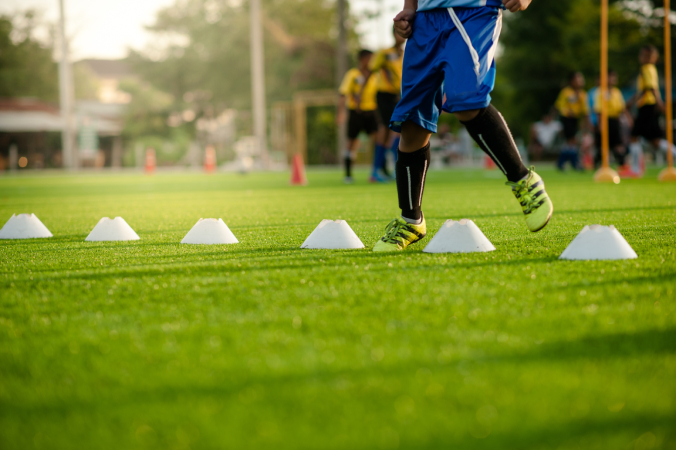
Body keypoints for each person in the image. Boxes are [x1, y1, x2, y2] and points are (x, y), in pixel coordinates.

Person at [373, 0, 553, 252]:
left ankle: (523, 180)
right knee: (413, 122)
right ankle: (411, 220)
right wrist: (410, 7)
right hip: (425, 21)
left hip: (472, 11)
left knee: (466, 99)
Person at [368, 28, 407, 182]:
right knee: (384, 131)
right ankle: (375, 171)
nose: (401, 36)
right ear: (393, 34)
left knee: (397, 132)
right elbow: (371, 69)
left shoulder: (406, 54)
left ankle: (393, 169)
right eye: (398, 33)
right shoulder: (385, 53)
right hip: (384, 95)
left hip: (399, 96)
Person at [337, 49, 379, 184]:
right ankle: (348, 174)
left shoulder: (375, 75)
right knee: (351, 143)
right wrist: (341, 113)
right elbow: (343, 94)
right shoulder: (352, 74)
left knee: (378, 141)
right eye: (370, 59)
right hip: (356, 112)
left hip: (371, 111)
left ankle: (377, 171)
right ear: (362, 59)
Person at [626, 45, 665, 176]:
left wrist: (659, 102)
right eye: (643, 55)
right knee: (652, 140)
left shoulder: (646, 69)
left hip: (647, 106)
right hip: (648, 106)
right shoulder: (651, 69)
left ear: (654, 58)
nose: (644, 58)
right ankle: (636, 168)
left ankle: (636, 169)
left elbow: (649, 88)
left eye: (647, 56)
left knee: (636, 137)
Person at [593, 69, 630, 168]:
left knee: (618, 144)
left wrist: (629, 118)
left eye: (614, 77)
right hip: (604, 120)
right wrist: (600, 124)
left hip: (615, 121)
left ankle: (622, 165)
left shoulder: (617, 92)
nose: (613, 79)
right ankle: (597, 164)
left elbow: (622, 108)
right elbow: (598, 110)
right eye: (611, 77)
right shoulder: (600, 92)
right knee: (602, 146)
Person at [554, 71, 589, 171]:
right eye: (577, 79)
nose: (580, 81)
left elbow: (585, 111)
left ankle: (562, 162)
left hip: (575, 119)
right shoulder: (566, 92)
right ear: (572, 81)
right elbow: (558, 105)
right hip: (566, 119)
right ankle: (574, 163)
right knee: (572, 140)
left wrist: (585, 124)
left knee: (571, 142)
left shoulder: (583, 94)